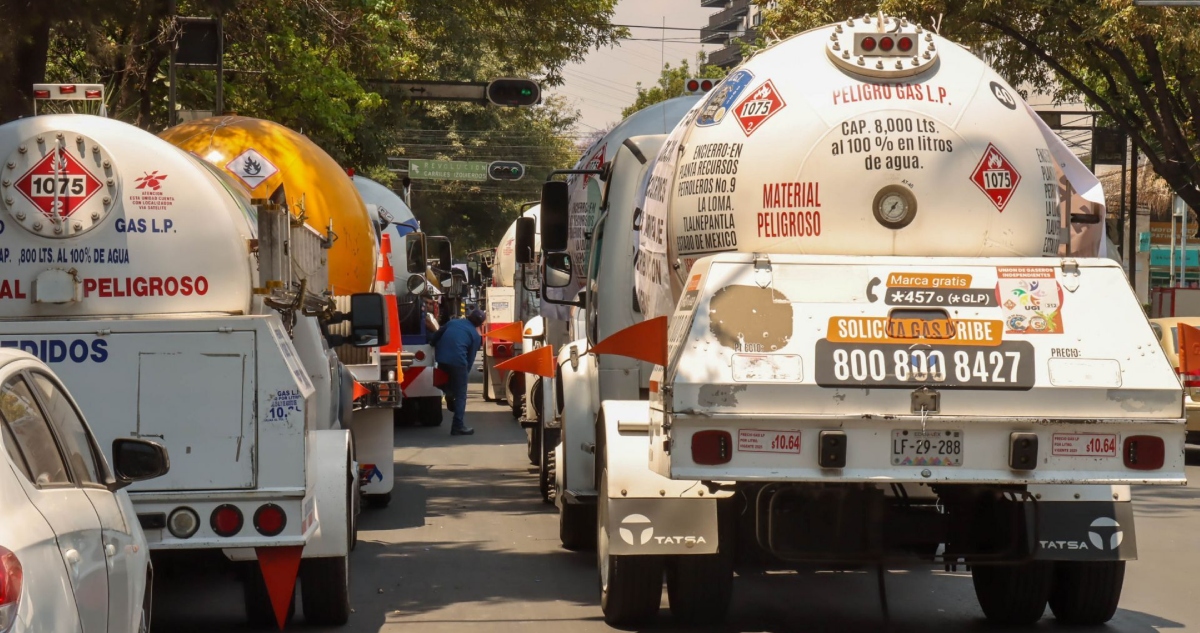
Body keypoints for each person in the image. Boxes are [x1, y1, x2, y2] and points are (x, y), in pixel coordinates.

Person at [428, 309, 484, 435]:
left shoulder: (452, 323)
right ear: (479, 324)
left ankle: (448, 392)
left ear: (469, 316)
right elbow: (470, 359)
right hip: (458, 363)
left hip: (441, 359)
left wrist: (432, 343)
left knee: (444, 381)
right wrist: (465, 374)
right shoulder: (475, 336)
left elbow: (438, 334)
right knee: (461, 395)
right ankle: (458, 426)